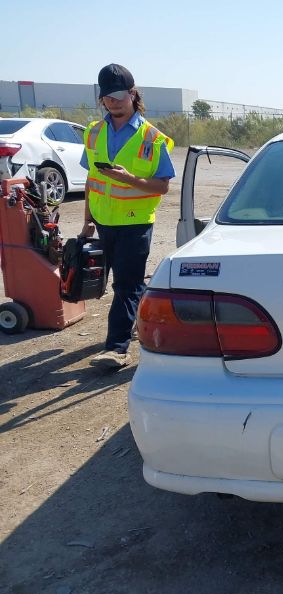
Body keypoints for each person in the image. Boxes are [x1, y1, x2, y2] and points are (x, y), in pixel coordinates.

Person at [80, 63, 175, 369]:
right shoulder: (93, 133)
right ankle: (145, 299)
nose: (115, 101)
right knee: (121, 284)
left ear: (133, 94)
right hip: (103, 222)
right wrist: (86, 221)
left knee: (124, 286)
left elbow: (163, 187)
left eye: (120, 94)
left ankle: (115, 349)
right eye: (108, 96)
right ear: (102, 99)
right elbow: (91, 183)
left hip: (135, 223)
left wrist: (129, 179)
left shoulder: (153, 138)